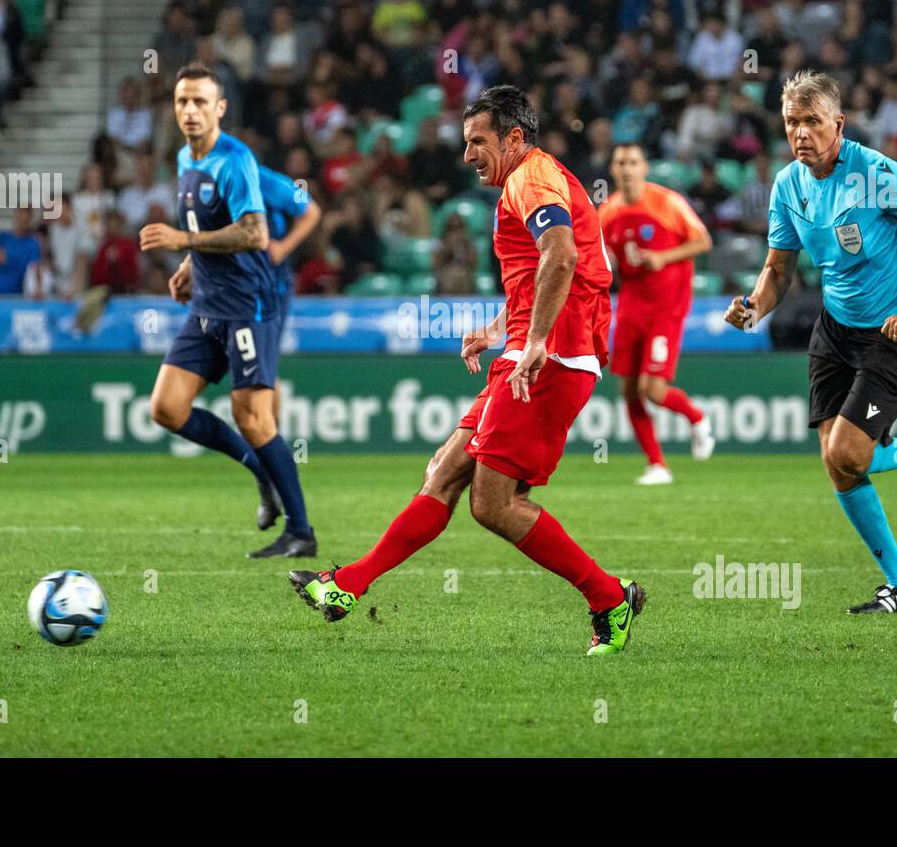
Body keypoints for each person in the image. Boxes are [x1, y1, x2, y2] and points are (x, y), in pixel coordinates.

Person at [288, 86, 647, 656]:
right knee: (443, 469)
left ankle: (609, 598)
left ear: (513, 137)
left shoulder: (531, 177)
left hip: (551, 357)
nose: (467, 155)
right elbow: (540, 270)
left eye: (478, 141)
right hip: (533, 350)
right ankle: (348, 586)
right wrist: (501, 327)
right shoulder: (531, 178)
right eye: (465, 143)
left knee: (492, 503)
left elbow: (563, 255)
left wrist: (531, 342)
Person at [725, 70, 897, 615]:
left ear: (838, 124)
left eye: (812, 122)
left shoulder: (878, 174)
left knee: (848, 453)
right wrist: (753, 307)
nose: (801, 133)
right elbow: (777, 269)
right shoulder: (788, 185)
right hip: (834, 330)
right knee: (838, 465)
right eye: (792, 123)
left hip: (891, 333)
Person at [139, 63, 315, 559]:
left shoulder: (236, 160)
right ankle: (260, 470)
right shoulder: (183, 158)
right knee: (166, 408)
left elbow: (255, 233)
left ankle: (301, 531)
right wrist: (191, 265)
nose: (190, 110)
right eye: (182, 102)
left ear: (220, 108)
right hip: (205, 306)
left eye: (200, 102)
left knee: (254, 418)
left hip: (246, 306)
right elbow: (209, 224)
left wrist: (181, 241)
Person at [599, 141, 716, 485]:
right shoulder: (608, 211)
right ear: (613, 169)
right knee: (629, 390)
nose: (626, 168)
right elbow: (600, 254)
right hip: (632, 304)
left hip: (667, 305)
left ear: (644, 167)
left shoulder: (667, 202)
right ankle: (657, 465)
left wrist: (662, 258)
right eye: (620, 162)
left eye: (633, 162)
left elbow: (703, 242)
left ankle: (697, 418)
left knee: (652, 388)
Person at [257, 162, 322, 422]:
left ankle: (269, 442)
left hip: (267, 285)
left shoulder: (263, 179)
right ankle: (265, 441)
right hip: (232, 286)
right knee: (250, 366)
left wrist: (283, 248)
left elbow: (310, 209)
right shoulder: (210, 182)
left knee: (263, 367)